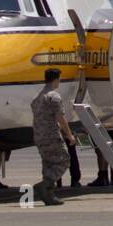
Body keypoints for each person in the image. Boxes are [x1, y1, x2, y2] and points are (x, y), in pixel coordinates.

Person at [30, 69, 76, 206]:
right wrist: (69, 135)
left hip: (39, 135)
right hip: (51, 135)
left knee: (48, 163)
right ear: (56, 79)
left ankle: (49, 195)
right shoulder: (53, 96)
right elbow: (60, 118)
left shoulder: (37, 97)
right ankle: (45, 184)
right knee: (64, 160)